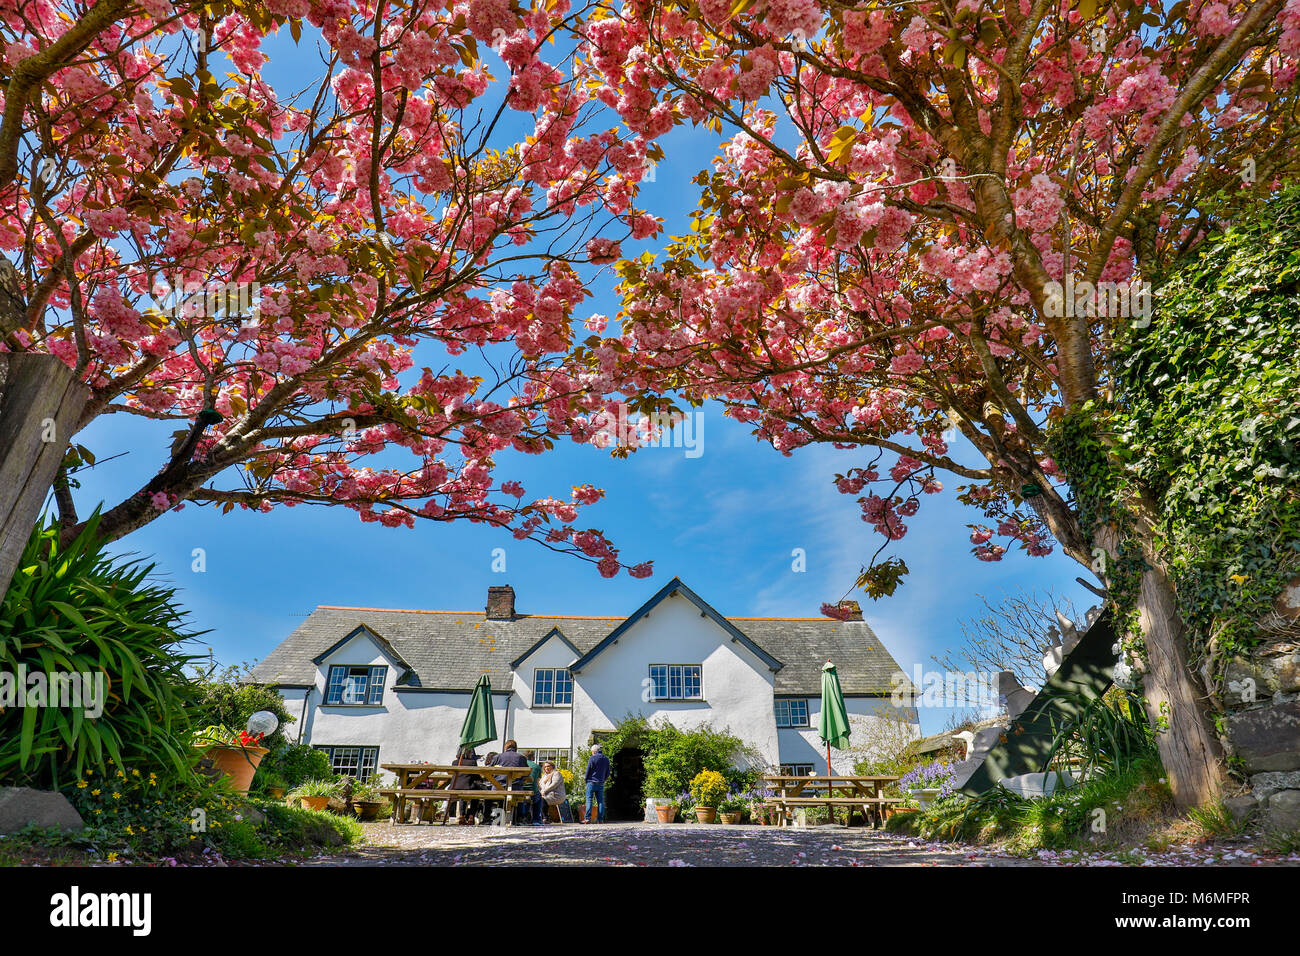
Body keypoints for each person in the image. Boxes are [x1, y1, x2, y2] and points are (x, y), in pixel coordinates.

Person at [492, 740, 531, 824]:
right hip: (515, 786)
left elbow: (489, 770)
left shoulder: (498, 757)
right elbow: (527, 773)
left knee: (490, 794)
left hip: (498, 786)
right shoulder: (521, 758)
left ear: (505, 747)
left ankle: (488, 817)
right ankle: (520, 817)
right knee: (520, 793)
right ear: (516, 748)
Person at [451, 745, 480, 825]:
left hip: (454, 788)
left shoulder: (455, 763)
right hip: (467, 788)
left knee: (462, 795)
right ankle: (471, 816)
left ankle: (462, 816)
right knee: (477, 793)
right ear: (469, 753)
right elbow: (476, 777)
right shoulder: (472, 762)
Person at [584, 744, 610, 823]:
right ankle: (600, 819)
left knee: (589, 800)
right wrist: (604, 779)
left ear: (594, 751)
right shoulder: (606, 759)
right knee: (601, 801)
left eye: (592, 752)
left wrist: (586, 779)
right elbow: (608, 772)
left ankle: (588, 819)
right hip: (601, 782)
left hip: (591, 782)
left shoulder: (592, 758)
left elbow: (588, 770)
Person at [522, 750, 544, 825]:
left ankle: (522, 818)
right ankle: (536, 820)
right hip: (531, 791)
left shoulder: (520, 765)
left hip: (519, 790)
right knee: (539, 798)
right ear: (532, 757)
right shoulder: (537, 767)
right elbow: (537, 782)